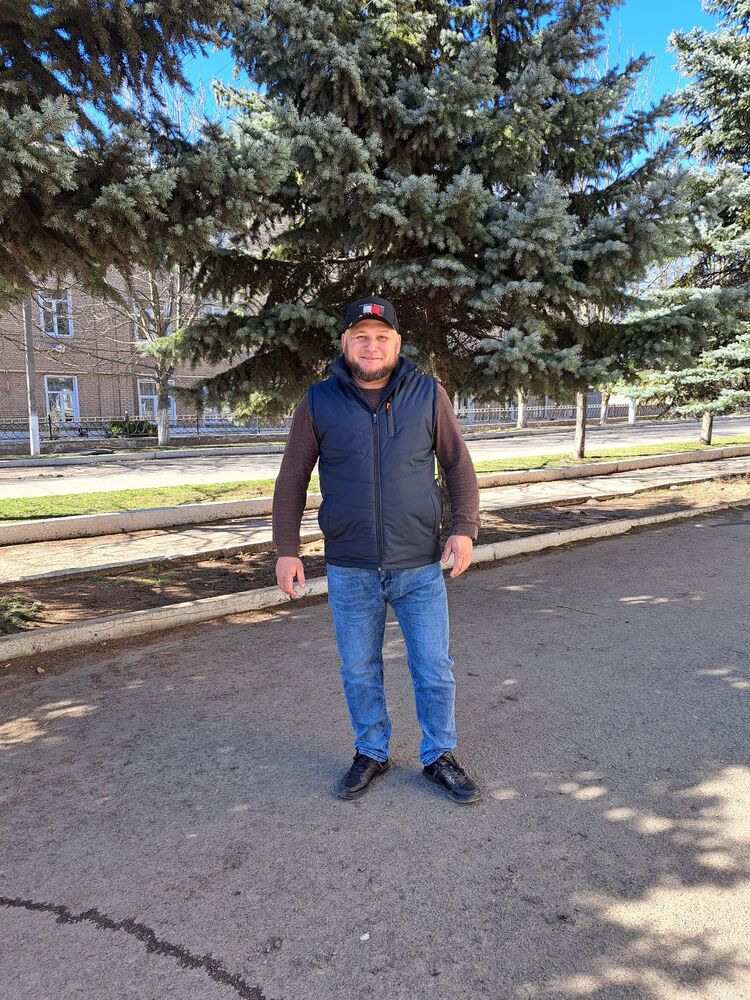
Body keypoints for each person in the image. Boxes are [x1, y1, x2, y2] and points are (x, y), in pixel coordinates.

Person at [272, 296, 482, 804]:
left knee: (433, 666)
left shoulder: (427, 394)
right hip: (350, 566)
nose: (372, 346)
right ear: (345, 342)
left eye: (382, 337)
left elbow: (457, 465)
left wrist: (464, 528)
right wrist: (286, 549)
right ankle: (371, 751)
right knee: (359, 668)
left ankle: (439, 756)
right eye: (361, 337)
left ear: (397, 343)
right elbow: (293, 477)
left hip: (419, 564)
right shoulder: (319, 401)